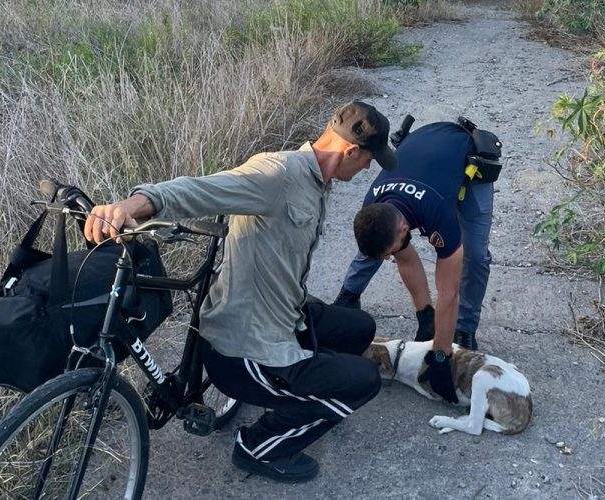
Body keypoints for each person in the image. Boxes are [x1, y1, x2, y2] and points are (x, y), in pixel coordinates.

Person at [84, 101, 396, 483]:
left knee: (359, 327)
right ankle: (258, 448)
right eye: (370, 160)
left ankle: (308, 396)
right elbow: (199, 190)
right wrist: (127, 205)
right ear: (352, 151)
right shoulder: (278, 173)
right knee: (364, 380)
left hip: (284, 317)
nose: (368, 169)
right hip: (246, 347)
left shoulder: (318, 180)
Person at [333, 120, 498, 402]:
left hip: (469, 157)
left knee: (475, 255)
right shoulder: (374, 205)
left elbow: (449, 292)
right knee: (377, 245)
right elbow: (404, 258)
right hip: (422, 148)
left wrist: (440, 354)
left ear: (403, 229)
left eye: (392, 251)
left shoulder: (439, 214)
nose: (390, 259)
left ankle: (467, 328)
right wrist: (425, 315)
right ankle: (347, 297)